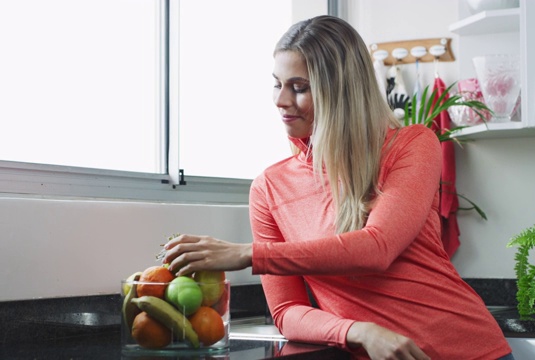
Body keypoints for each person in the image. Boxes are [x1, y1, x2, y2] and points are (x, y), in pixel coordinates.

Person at [163, 15, 514, 360]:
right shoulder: (269, 188)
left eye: (299, 87)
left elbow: (377, 247)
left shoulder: (411, 145)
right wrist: (358, 331)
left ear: (341, 90)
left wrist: (248, 254)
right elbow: (287, 311)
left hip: (469, 350)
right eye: (277, 83)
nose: (280, 100)